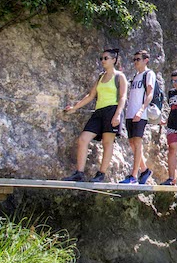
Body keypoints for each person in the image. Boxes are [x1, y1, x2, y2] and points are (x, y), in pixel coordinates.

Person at [63, 48, 128, 183]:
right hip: (99, 112)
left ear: (113, 60)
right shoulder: (100, 77)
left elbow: (123, 97)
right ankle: (79, 173)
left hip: (112, 110)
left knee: (107, 142)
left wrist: (117, 115)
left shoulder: (119, 76)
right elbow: (91, 95)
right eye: (101, 58)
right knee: (83, 139)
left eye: (105, 58)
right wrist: (75, 108)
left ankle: (101, 174)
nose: (103, 61)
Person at [119, 49, 156, 185]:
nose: (135, 62)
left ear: (146, 60)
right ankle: (144, 170)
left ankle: (133, 176)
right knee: (131, 143)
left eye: (138, 59)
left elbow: (150, 94)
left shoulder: (149, 74)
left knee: (138, 142)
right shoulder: (135, 76)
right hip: (130, 113)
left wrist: (141, 110)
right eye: (134, 59)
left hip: (140, 113)